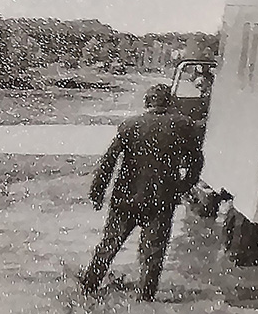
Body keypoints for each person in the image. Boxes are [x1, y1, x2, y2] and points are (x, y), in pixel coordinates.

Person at [78, 83, 204, 302]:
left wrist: (97, 192)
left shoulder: (129, 126)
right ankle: (145, 299)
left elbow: (108, 163)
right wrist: (182, 187)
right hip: (161, 199)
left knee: (109, 245)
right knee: (153, 254)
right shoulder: (183, 125)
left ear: (147, 102)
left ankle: (88, 287)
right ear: (170, 102)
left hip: (125, 199)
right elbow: (196, 162)